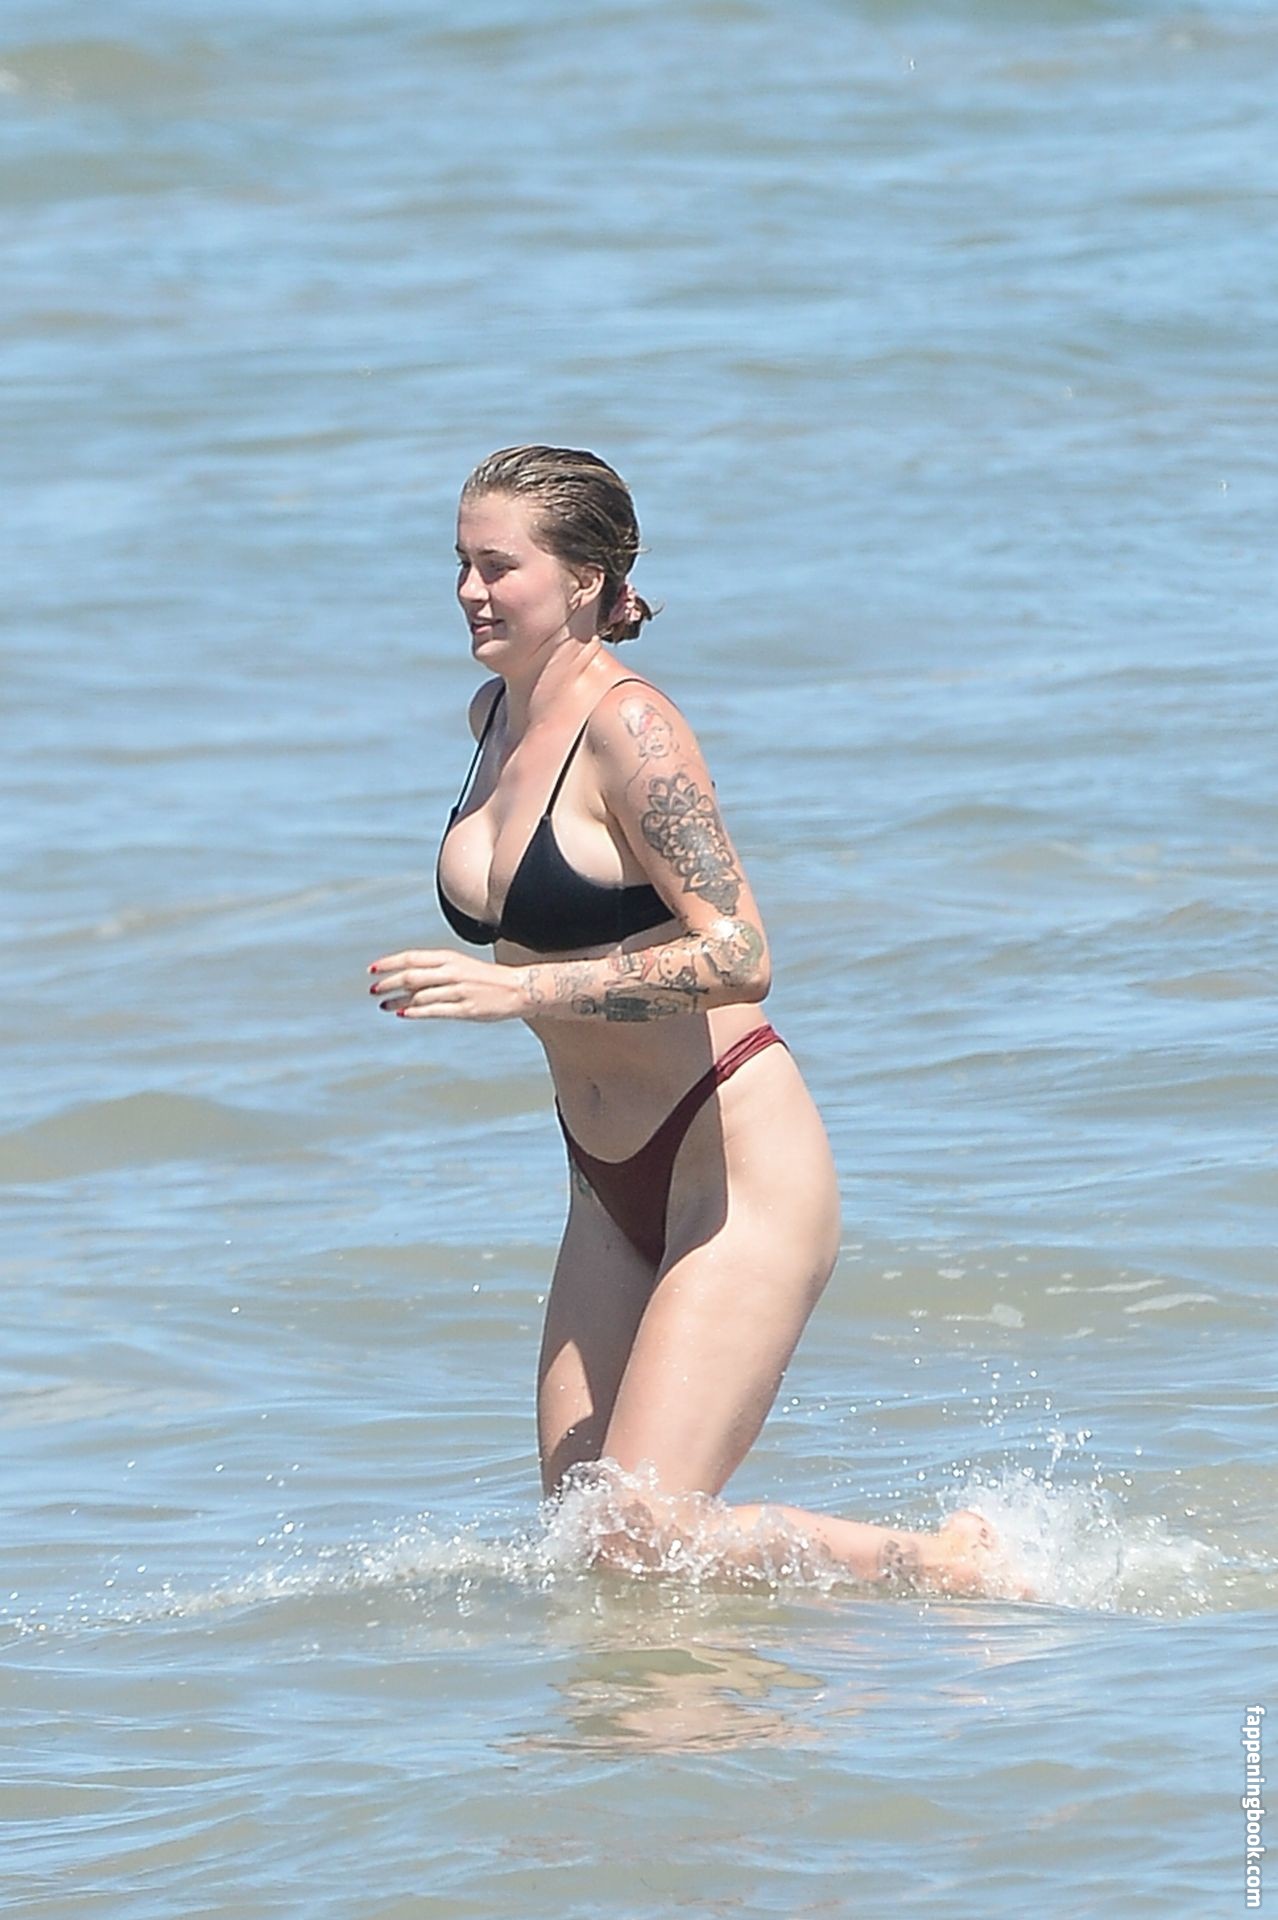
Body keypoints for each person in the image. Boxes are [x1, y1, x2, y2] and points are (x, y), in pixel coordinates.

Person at [369, 444, 1017, 1598]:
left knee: (638, 1534)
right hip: (602, 1180)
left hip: (734, 1166)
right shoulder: (492, 717)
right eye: (461, 563)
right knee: (592, 1558)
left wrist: (521, 991)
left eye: (497, 566)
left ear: (583, 579)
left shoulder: (634, 730)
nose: (469, 590)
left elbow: (741, 954)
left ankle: (944, 1567)